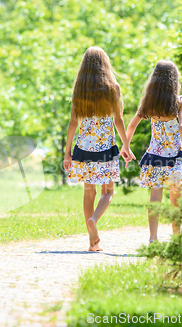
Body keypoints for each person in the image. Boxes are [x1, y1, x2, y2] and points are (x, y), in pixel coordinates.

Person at [63, 46, 134, 252]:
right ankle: (94, 219)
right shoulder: (114, 88)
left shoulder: (79, 91)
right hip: (105, 149)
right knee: (108, 192)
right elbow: (118, 121)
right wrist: (125, 145)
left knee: (88, 193)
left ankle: (92, 241)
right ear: (105, 65)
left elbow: (72, 124)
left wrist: (67, 152)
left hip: (83, 149)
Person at [125, 60, 182, 243]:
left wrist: (126, 146)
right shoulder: (180, 103)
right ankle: (177, 238)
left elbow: (131, 125)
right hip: (176, 157)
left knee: (155, 198)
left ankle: (153, 238)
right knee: (176, 198)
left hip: (154, 156)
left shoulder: (149, 103)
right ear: (174, 80)